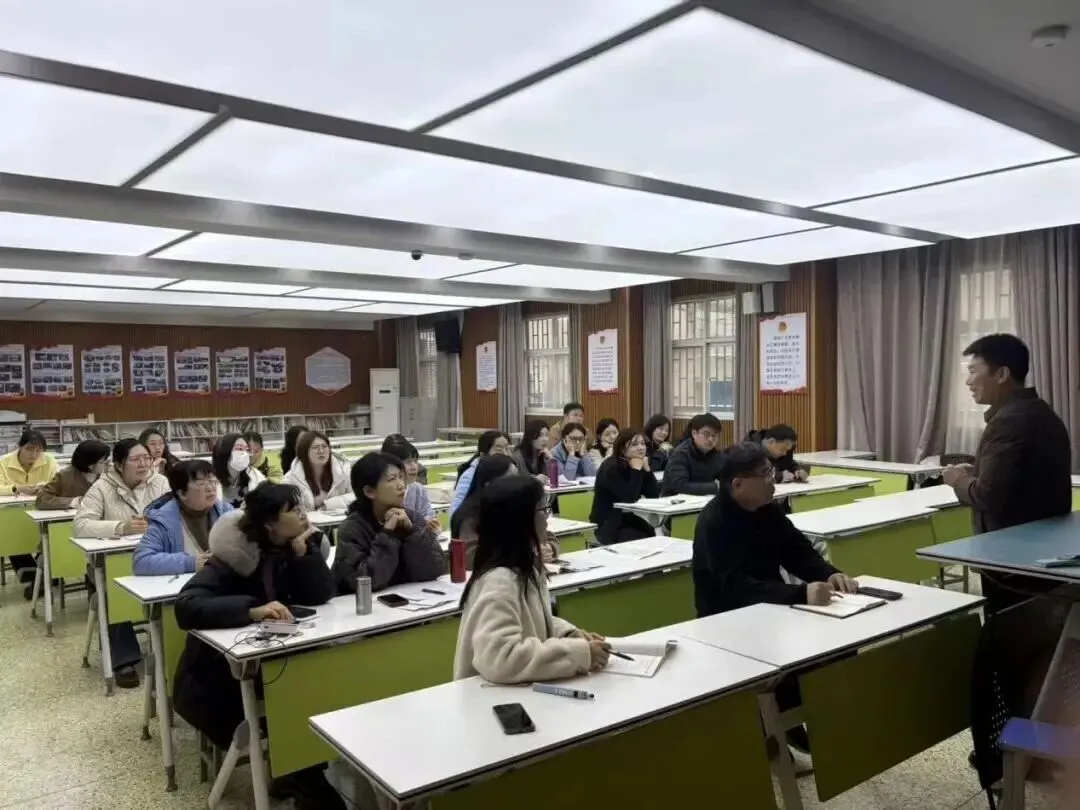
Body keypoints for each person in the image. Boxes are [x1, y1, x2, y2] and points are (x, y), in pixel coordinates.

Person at [172, 483, 340, 810]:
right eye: (293, 510)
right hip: (219, 679)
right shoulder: (233, 557)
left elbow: (321, 595)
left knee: (315, 687)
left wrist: (305, 556)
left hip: (278, 666)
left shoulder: (293, 547)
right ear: (269, 523)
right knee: (296, 701)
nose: (303, 514)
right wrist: (250, 610)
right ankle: (303, 776)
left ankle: (299, 771)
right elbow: (186, 606)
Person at [692, 442, 858, 753]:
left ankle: (789, 717)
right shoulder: (714, 522)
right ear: (738, 485)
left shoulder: (767, 509)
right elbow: (735, 586)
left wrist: (828, 574)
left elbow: (796, 550)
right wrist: (801, 593)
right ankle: (771, 727)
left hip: (771, 607)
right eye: (765, 474)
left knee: (839, 646)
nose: (773, 480)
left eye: (771, 471)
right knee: (797, 659)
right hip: (728, 620)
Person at [942, 334, 1072, 613]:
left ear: (1001, 374)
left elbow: (989, 495)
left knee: (1009, 629)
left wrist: (958, 480)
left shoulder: (1007, 422)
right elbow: (1024, 478)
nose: (968, 381)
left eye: (973, 371)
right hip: (1044, 552)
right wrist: (979, 471)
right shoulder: (1042, 412)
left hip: (1011, 558)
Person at [453, 475, 609, 683]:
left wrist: (568, 634)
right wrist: (579, 654)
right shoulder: (500, 580)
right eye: (543, 510)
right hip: (489, 698)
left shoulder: (526, 567)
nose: (547, 519)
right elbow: (500, 658)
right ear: (521, 520)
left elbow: (532, 619)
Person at [74, 437, 170, 689]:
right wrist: (121, 527)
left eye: (146, 458)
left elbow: (175, 515)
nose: (143, 464)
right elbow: (80, 525)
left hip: (154, 557)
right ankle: (124, 659)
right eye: (136, 459)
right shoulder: (102, 487)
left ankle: (172, 650)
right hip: (111, 562)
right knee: (112, 590)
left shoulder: (160, 482)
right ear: (118, 464)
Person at [330, 452, 445, 593]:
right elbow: (365, 581)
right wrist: (388, 535)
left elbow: (434, 570)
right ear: (369, 491)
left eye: (401, 477)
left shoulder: (413, 518)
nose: (401, 485)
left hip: (406, 598)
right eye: (392, 479)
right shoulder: (352, 529)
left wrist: (412, 533)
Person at [134, 459, 233, 575]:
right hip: (182, 585)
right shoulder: (164, 520)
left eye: (212, 481)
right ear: (182, 493)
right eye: (201, 484)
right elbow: (141, 561)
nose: (210, 488)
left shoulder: (226, 512)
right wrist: (190, 563)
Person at [589, 428, 662, 545]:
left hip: (628, 519)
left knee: (650, 533)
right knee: (635, 539)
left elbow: (654, 495)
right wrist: (636, 470)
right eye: (634, 444)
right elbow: (629, 498)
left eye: (643, 444)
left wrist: (647, 470)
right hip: (608, 523)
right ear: (622, 448)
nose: (641, 448)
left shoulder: (637, 462)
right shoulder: (611, 467)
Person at [284, 430, 352, 512]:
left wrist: (329, 504)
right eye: (315, 447)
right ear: (304, 452)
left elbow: (356, 495)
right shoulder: (291, 478)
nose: (321, 451)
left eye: (324, 446)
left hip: (340, 518)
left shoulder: (344, 471)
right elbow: (284, 506)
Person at [382, 438, 440, 531]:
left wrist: (433, 526)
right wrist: (419, 525)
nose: (414, 467)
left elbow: (432, 521)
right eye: (408, 462)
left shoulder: (419, 490)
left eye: (415, 461)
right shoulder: (383, 494)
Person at [36, 439, 110, 511]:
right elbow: (41, 500)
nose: (108, 464)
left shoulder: (106, 476)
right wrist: (74, 502)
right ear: (90, 465)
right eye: (104, 462)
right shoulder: (65, 476)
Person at [661, 413, 725, 496]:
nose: (711, 439)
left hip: (703, 500)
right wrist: (714, 487)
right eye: (706, 434)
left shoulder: (716, 455)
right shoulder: (681, 454)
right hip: (674, 501)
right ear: (694, 433)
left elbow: (724, 478)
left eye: (714, 435)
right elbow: (680, 486)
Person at [449, 430, 511, 515]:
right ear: (483, 455)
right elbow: (455, 511)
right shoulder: (470, 476)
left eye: (507, 448)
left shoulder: (510, 472)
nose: (505, 454)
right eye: (499, 450)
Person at [212, 433, 267, 508]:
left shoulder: (255, 476)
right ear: (225, 452)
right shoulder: (211, 480)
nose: (245, 453)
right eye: (239, 449)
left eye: (247, 450)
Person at [0, 429, 58, 497]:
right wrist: (17, 489)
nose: (34, 455)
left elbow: (59, 485)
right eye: (29, 449)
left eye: (38, 450)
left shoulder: (49, 461)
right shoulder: (3, 462)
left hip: (41, 501)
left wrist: (46, 487)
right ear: (20, 447)